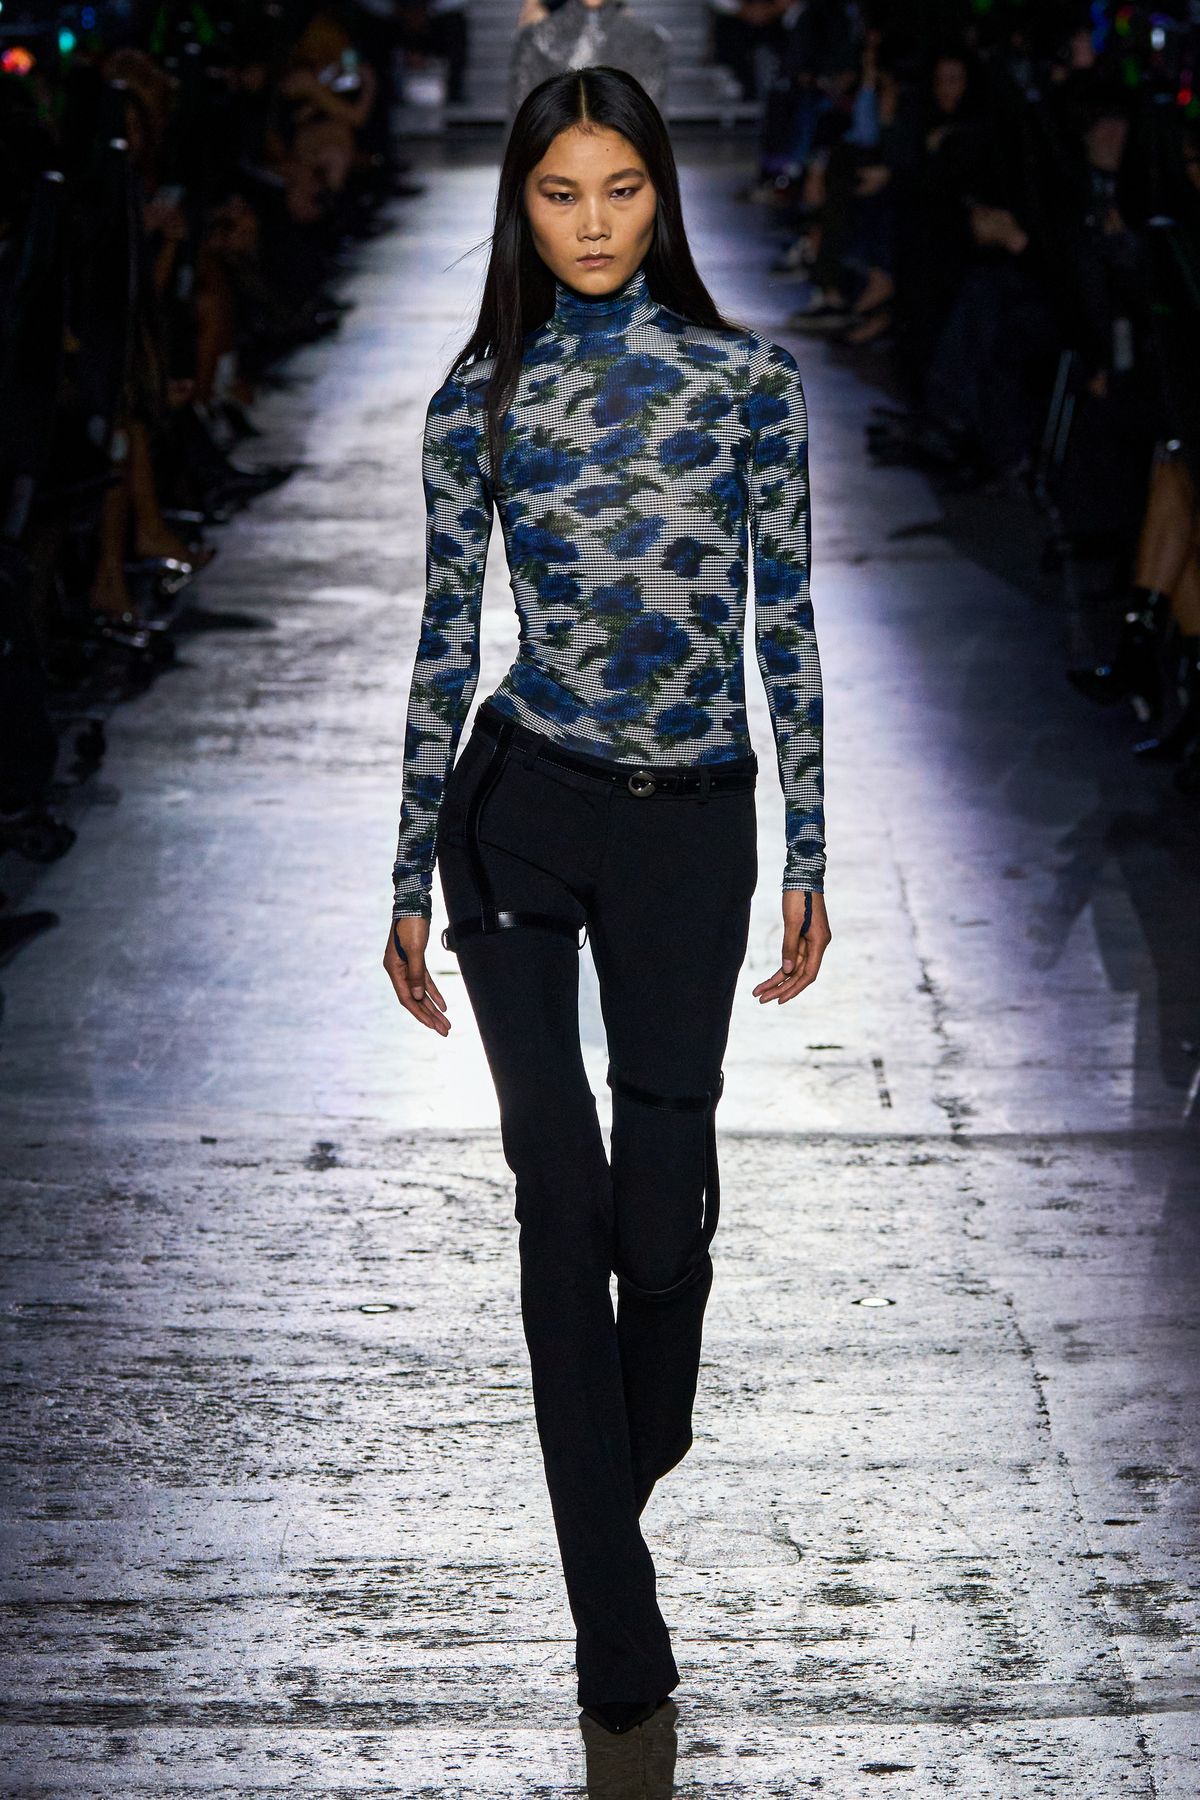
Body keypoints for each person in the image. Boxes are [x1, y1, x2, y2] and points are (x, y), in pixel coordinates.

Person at [383, 63, 831, 1738]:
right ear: (521, 204)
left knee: (661, 1221)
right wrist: (407, 866)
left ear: (662, 194)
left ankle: (619, 1465)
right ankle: (614, 1630)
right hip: (521, 813)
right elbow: (446, 642)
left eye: (621, 190)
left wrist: (810, 847)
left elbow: (785, 622)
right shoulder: (476, 404)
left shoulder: (748, 387)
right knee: (556, 1197)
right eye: (560, 194)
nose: (591, 224)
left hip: (693, 827)